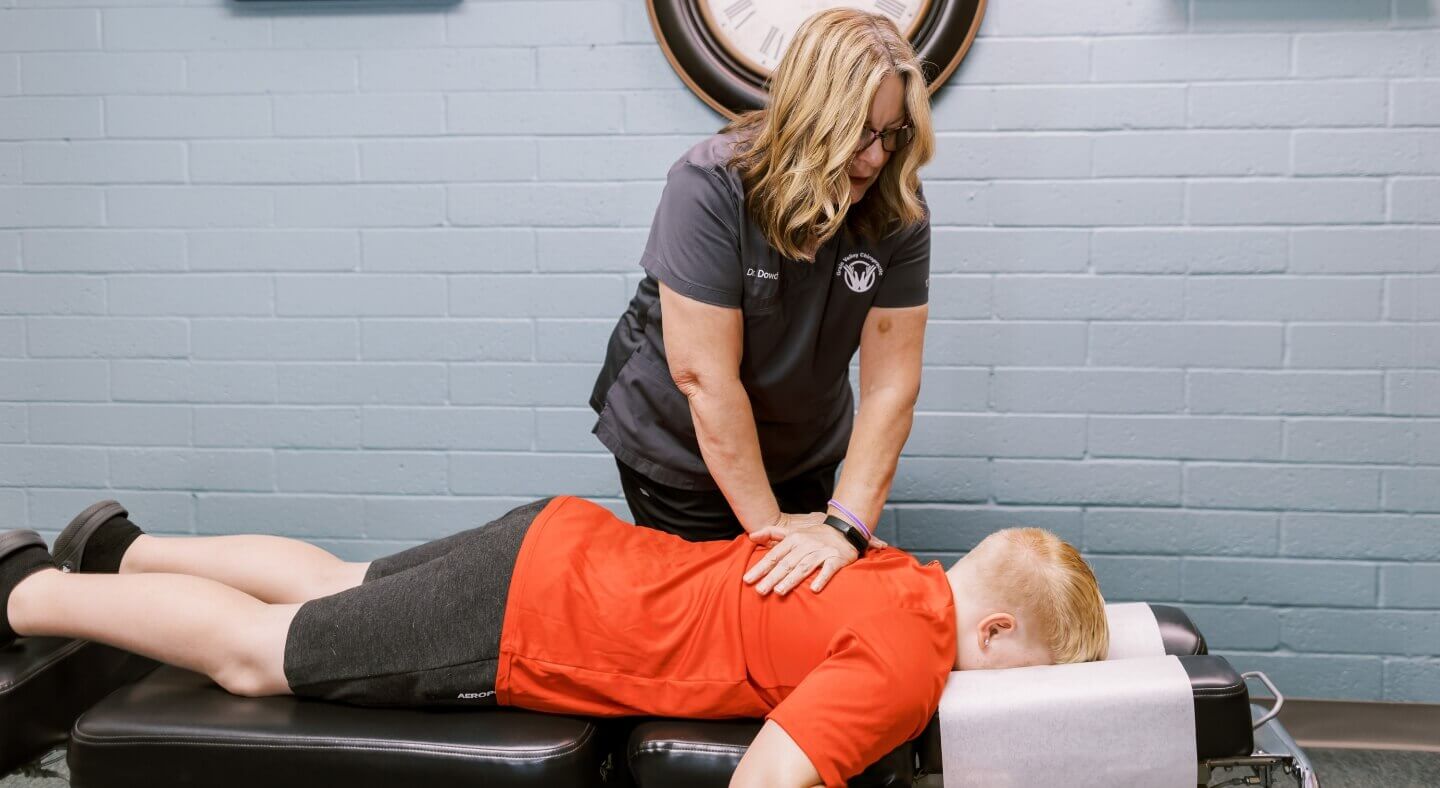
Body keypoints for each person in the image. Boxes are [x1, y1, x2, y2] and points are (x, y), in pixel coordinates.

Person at [0, 498, 1108, 788]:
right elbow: (772, 770)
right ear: (995, 626)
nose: (1012, 696)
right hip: (530, 616)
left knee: (339, 579)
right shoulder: (913, 662)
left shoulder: (893, 566)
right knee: (256, 649)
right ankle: (30, 592)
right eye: (1028, 675)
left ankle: (123, 548)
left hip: (556, 540)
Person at [589, 9, 936, 583]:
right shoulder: (709, 186)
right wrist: (773, 529)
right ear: (809, 117)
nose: (876, 157)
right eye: (859, 132)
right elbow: (703, 378)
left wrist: (844, 529)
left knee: (802, 596)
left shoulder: (896, 204)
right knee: (715, 611)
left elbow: (890, 385)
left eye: (891, 133)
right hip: (682, 448)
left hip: (803, 444)